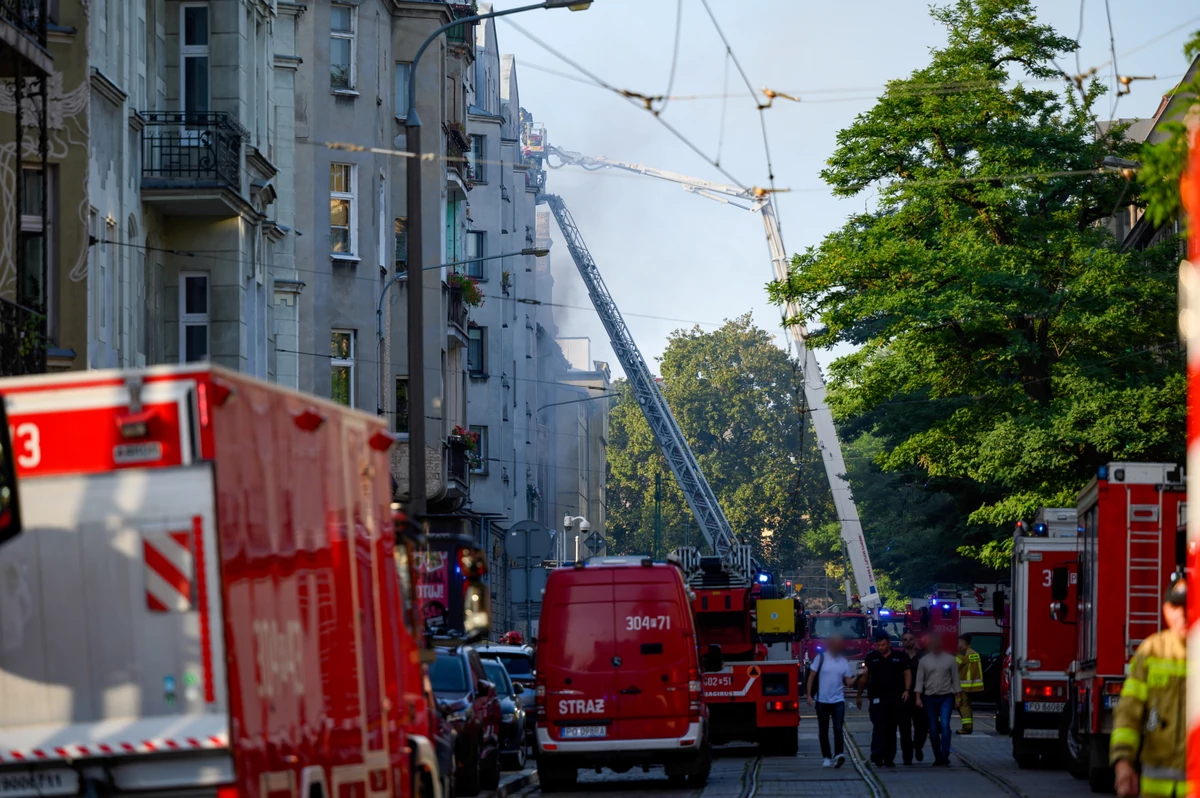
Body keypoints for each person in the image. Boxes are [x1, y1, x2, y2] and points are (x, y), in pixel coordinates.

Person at [1110, 576, 1187, 798]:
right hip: (1155, 790)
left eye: (1188, 605)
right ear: (1165, 609)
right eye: (1175, 606)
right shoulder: (1150, 652)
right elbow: (1128, 714)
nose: (1182, 613)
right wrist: (1123, 763)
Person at [856, 630, 911, 767]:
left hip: (895, 698)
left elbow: (907, 673)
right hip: (877, 698)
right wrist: (859, 695)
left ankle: (889, 758)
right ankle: (877, 755)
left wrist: (907, 690)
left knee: (891, 728)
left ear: (889, 644)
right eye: (879, 645)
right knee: (879, 726)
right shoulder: (871, 657)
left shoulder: (900, 656)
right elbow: (864, 677)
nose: (881, 648)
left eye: (883, 645)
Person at [805, 635, 858, 768]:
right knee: (823, 730)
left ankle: (839, 754)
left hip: (838, 700)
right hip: (822, 700)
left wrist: (859, 675)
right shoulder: (821, 658)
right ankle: (826, 756)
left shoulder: (843, 662)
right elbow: (811, 676)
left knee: (838, 728)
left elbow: (848, 681)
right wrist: (809, 695)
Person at [914, 633, 960, 767]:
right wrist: (918, 697)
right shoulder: (924, 661)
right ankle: (938, 756)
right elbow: (920, 680)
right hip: (930, 697)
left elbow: (955, 679)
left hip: (946, 696)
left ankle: (945, 754)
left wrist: (958, 697)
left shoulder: (950, 660)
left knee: (945, 726)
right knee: (933, 729)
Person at [899, 631, 928, 764]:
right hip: (904, 696)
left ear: (914, 641)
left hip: (921, 695)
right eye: (905, 639)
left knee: (921, 726)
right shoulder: (899, 656)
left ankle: (918, 746)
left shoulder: (923, 656)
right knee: (904, 727)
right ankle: (907, 756)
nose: (908, 641)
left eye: (910, 639)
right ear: (902, 642)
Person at [955, 634, 984, 734]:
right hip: (972, 686)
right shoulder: (974, 653)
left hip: (963, 685)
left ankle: (966, 728)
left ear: (963, 642)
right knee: (967, 705)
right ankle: (968, 727)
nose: (958, 644)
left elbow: (953, 667)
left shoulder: (962, 654)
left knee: (963, 707)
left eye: (959, 642)